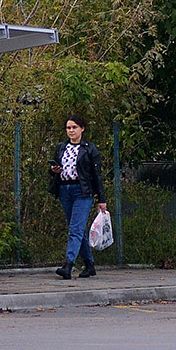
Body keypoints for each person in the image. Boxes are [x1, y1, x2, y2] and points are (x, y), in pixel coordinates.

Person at [48, 114, 109, 280]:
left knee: (75, 229)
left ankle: (68, 265)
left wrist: (101, 199)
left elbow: (97, 175)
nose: (71, 131)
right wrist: (54, 169)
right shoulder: (61, 147)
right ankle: (89, 264)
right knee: (77, 228)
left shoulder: (89, 149)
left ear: (82, 129)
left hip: (83, 191)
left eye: (74, 127)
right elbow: (53, 166)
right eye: (68, 128)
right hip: (64, 189)